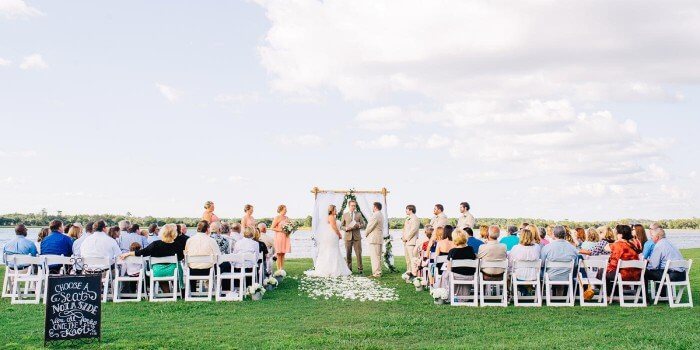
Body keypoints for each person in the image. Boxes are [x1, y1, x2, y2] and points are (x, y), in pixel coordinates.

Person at [120, 223, 183, 293]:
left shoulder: (155, 244)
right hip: (173, 271)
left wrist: (128, 253)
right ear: (174, 233)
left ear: (162, 233)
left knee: (161, 273)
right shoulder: (178, 245)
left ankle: (167, 292)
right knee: (176, 268)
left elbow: (142, 252)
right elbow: (180, 258)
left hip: (158, 272)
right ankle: (178, 291)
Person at [305, 205, 352, 278]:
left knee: (333, 250)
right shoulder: (331, 217)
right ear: (332, 210)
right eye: (335, 209)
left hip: (332, 236)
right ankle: (331, 269)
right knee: (332, 251)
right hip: (332, 236)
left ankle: (333, 268)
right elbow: (334, 227)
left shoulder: (332, 217)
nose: (336, 211)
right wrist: (339, 234)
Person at [184, 220, 221, 292]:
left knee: (191, 265)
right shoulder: (211, 240)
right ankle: (212, 290)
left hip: (193, 270)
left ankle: (193, 291)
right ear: (207, 229)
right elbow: (218, 256)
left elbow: (186, 254)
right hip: (208, 270)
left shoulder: (189, 240)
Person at [606, 225, 642, 292]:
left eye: (616, 233)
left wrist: (616, 241)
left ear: (620, 235)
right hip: (636, 275)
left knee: (602, 273)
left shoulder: (618, 245)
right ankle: (615, 292)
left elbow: (606, 249)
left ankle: (610, 294)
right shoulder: (633, 244)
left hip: (623, 275)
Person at [446, 230, 477, 297]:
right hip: (470, 276)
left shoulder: (452, 251)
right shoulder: (471, 249)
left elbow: (449, 268)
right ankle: (463, 296)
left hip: (456, 276)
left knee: (445, 274)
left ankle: (447, 294)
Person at [340, 200, 366, 274]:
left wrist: (359, 225)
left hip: (357, 237)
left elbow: (363, 224)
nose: (353, 207)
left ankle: (360, 269)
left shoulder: (359, 214)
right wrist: (346, 228)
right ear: (349, 206)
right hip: (347, 237)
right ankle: (349, 269)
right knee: (348, 254)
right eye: (352, 205)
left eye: (354, 205)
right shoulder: (345, 215)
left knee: (358, 254)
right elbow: (341, 226)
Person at [365, 202, 385, 278]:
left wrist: (366, 233)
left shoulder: (376, 215)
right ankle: (378, 272)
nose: (372, 208)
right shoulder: (381, 214)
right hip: (378, 237)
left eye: (373, 207)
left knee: (375, 256)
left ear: (375, 207)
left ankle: (376, 273)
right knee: (378, 256)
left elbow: (370, 226)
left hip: (374, 238)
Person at [271, 204, 292, 271]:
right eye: (285, 210)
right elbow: (272, 228)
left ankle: (282, 269)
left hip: (285, 237)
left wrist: (289, 230)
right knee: (279, 253)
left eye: (286, 210)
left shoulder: (287, 218)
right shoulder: (277, 217)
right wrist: (281, 230)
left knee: (283, 253)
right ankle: (278, 270)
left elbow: (290, 227)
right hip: (279, 237)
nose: (286, 211)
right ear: (281, 210)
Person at [402, 204, 420, 274]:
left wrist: (406, 238)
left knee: (413, 258)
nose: (405, 211)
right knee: (407, 259)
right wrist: (403, 237)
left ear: (411, 210)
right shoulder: (407, 218)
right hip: (406, 242)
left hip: (411, 241)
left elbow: (413, 230)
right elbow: (405, 229)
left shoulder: (415, 218)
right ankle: (409, 272)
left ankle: (414, 272)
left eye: (407, 209)